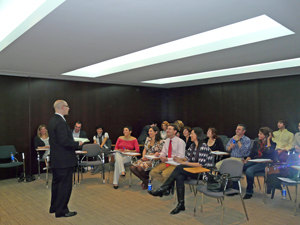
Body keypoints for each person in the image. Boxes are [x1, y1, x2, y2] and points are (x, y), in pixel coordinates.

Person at [148, 127, 214, 215]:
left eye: (192, 134)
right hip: (193, 170)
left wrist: (183, 162)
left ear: (197, 135)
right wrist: (180, 159)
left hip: (203, 173)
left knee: (179, 168)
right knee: (179, 176)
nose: (190, 135)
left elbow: (200, 164)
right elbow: (187, 158)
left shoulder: (204, 146)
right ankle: (181, 204)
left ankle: (164, 188)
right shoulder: (192, 145)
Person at [48, 100, 83, 218]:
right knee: (65, 186)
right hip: (64, 160)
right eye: (67, 107)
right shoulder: (61, 122)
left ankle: (54, 207)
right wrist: (77, 144)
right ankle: (62, 210)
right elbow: (64, 141)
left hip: (57, 160)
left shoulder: (53, 121)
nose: (69, 109)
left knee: (57, 184)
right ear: (62, 107)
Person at [149, 123, 185, 195]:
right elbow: (164, 152)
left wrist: (167, 159)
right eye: (167, 129)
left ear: (175, 131)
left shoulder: (180, 142)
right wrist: (159, 155)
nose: (167, 130)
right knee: (153, 172)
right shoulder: (167, 140)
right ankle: (169, 185)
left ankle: (166, 187)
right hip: (167, 161)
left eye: (170, 129)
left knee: (165, 174)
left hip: (176, 164)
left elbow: (180, 157)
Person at [242, 127, 276, 199]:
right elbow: (252, 154)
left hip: (265, 163)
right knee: (240, 166)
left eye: (260, 134)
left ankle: (249, 191)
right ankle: (234, 186)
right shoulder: (256, 143)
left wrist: (268, 140)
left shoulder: (272, 144)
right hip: (256, 161)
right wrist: (247, 160)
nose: (258, 135)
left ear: (266, 135)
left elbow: (268, 151)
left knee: (249, 171)